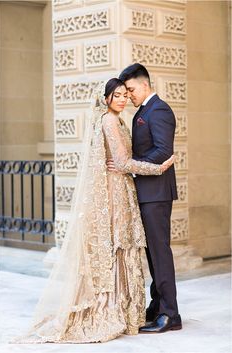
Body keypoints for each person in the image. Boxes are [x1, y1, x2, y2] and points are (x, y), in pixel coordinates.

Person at [13, 78, 174, 344]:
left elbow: (120, 162)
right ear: (106, 99)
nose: (122, 99)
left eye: (125, 94)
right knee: (119, 244)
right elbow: (121, 162)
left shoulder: (118, 120)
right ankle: (112, 311)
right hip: (115, 191)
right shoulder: (109, 121)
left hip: (121, 187)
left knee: (122, 245)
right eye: (117, 95)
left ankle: (124, 311)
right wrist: (158, 168)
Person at [117, 63, 182, 333]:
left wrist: (130, 164)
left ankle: (170, 314)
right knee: (152, 253)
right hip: (146, 192)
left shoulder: (160, 110)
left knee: (160, 252)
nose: (129, 95)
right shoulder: (143, 111)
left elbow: (163, 152)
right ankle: (158, 307)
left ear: (145, 85)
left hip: (156, 193)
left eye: (131, 89)